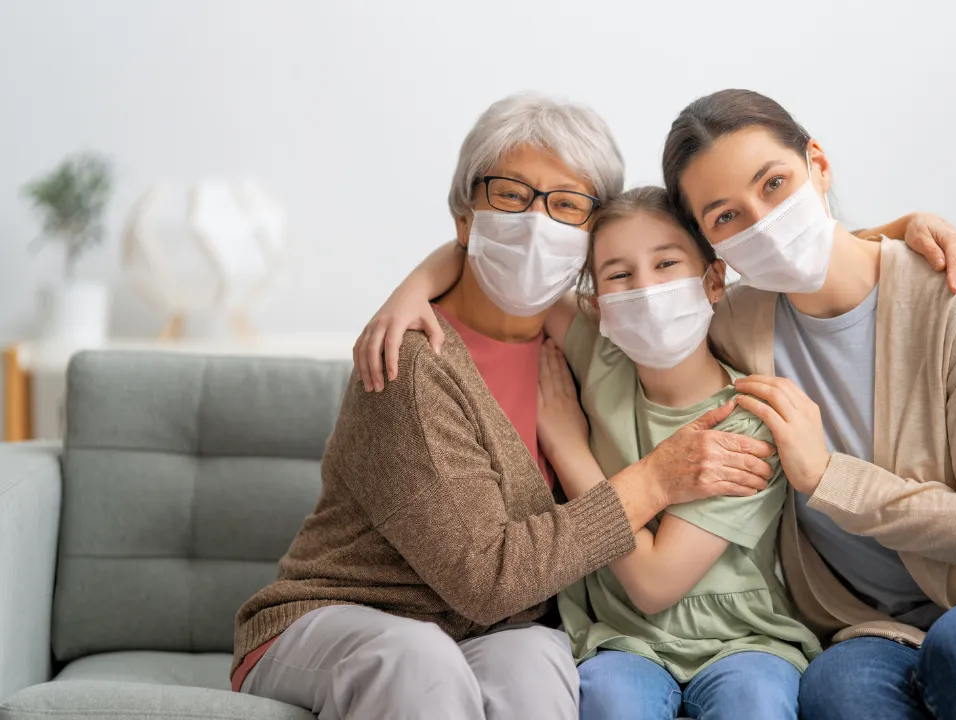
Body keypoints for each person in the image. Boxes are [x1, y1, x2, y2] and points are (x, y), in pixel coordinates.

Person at [231, 94, 782, 720]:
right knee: (417, 660)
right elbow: (484, 578)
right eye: (511, 195)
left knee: (539, 666)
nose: (537, 224)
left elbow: (782, 277)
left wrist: (891, 235)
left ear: (588, 243)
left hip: (494, 630)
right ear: (466, 217)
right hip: (357, 616)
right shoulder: (414, 361)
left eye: (567, 204)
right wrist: (655, 479)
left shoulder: (590, 339)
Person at [663, 89, 956, 719]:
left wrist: (827, 478)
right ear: (711, 249)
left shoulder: (953, 293)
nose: (762, 222)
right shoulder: (733, 325)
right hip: (874, 629)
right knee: (835, 690)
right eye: (726, 217)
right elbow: (622, 287)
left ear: (818, 165)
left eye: (774, 184)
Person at [537, 186, 822, 719]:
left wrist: (567, 446)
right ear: (599, 305)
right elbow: (496, 279)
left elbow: (653, 584)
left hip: (744, 642)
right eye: (619, 275)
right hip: (620, 639)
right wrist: (410, 293)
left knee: (754, 705)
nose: (645, 289)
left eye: (666, 263)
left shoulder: (751, 417)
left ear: (713, 280)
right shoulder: (599, 356)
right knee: (612, 701)